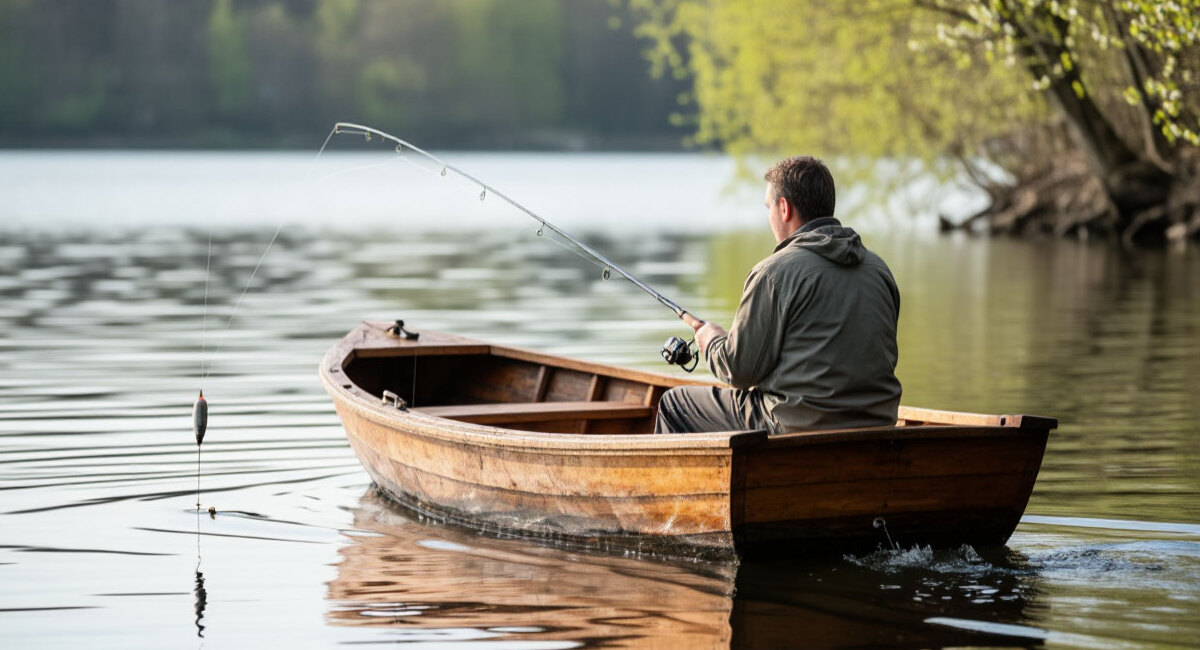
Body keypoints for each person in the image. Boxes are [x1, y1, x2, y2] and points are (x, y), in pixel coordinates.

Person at [655, 156, 901, 434]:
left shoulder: (773, 273)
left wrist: (711, 340)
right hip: (878, 425)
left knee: (674, 403)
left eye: (768, 207)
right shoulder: (879, 270)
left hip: (795, 426)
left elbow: (737, 371)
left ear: (784, 208)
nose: (769, 217)